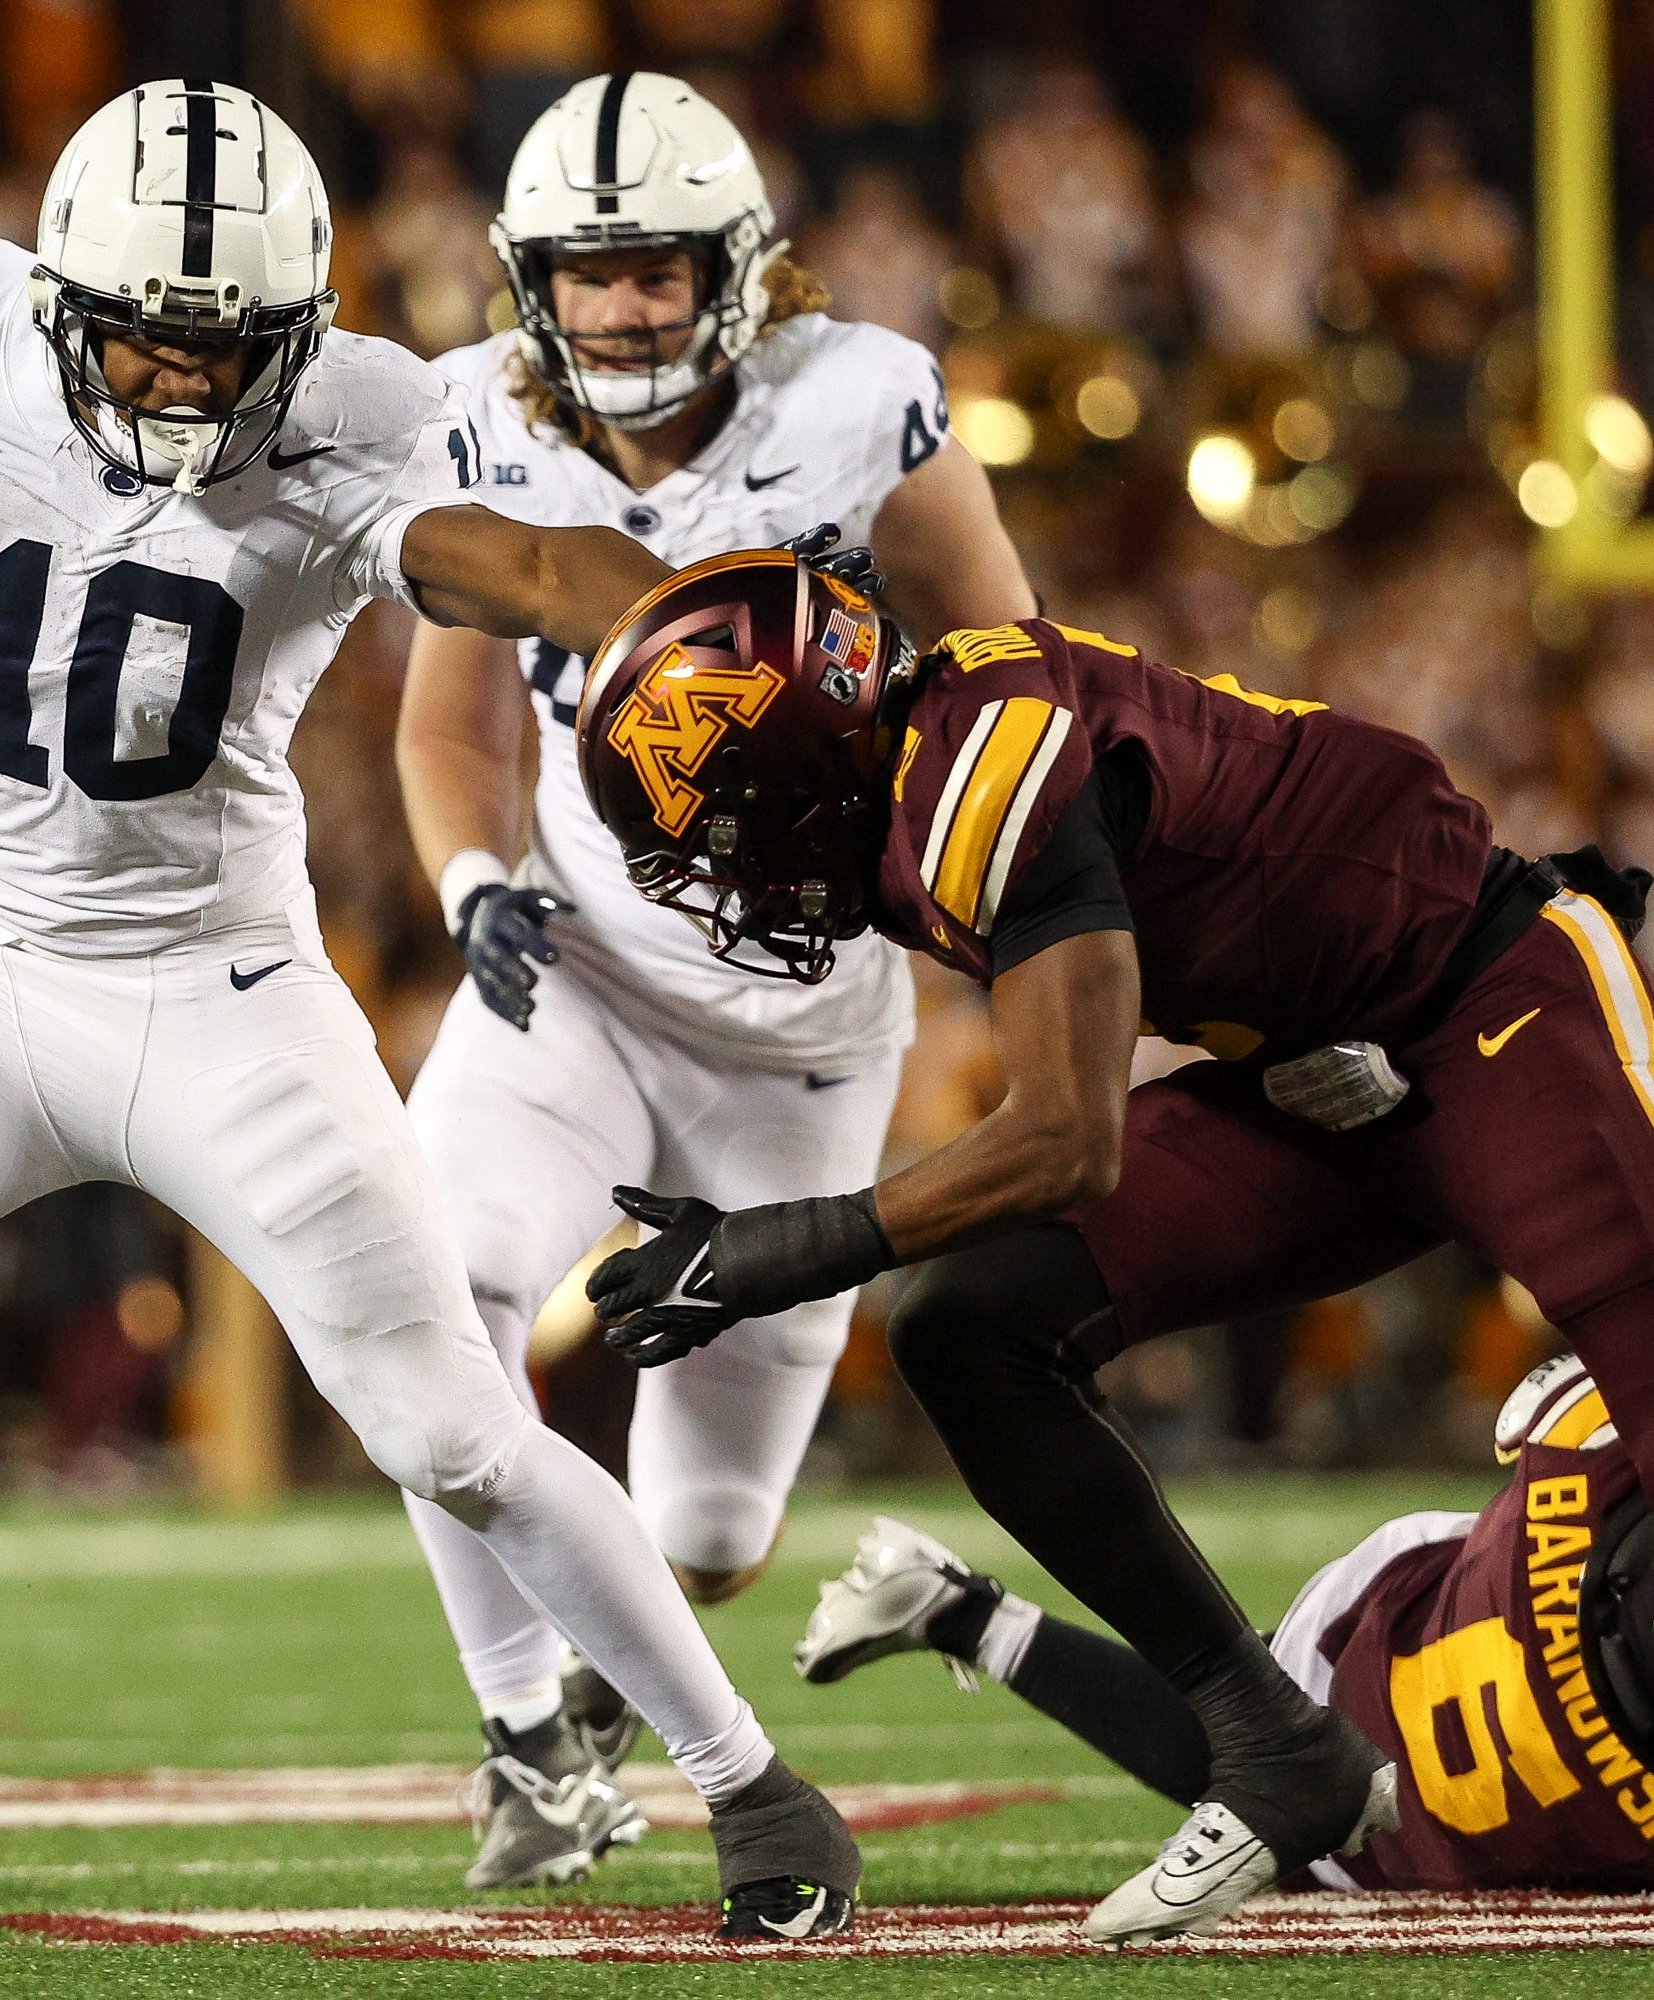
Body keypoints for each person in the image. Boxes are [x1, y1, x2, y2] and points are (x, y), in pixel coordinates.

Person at [0, 81, 861, 1940]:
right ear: (62, 302)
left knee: (452, 1435)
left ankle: (751, 1782)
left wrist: (707, 637)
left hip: (223, 994)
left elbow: (535, 568)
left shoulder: (358, 418)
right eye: (147, 335)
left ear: (296, 335)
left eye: (227, 348)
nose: (182, 380)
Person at [566, 540, 1654, 1939]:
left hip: (1490, 999)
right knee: (971, 1325)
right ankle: (1275, 1740)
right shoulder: (918, 779)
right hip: (1327, 1073)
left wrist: (778, 1250)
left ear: (793, 762)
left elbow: (1064, 1138)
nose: (738, 881)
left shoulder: (975, 785)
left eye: (726, 835)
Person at [393, 71, 1034, 1889]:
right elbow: (450, 726)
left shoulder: (860, 406)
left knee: (717, 1529)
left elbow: (1018, 676)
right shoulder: (473, 423)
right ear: (528, 280)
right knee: (433, 1294)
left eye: (653, 268)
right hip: (581, 980)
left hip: (808, 1033)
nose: (616, 308)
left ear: (735, 268)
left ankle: (613, 1663)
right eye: (582, 273)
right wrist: (474, 885)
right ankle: (526, 1736)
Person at [796, 1355, 1654, 1894]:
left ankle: (956, 1610)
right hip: (1411, 1804)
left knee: (1267, 1747)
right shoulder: (1636, 1827)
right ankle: (959, 1613)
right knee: (1273, 1763)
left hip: (1384, 1629)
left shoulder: (1580, 1466)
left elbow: (1535, 1404)